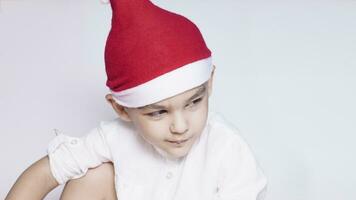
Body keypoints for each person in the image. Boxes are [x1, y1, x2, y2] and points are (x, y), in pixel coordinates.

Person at [6, 0, 268, 199]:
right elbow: (44, 173)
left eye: (193, 103)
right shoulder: (114, 138)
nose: (180, 126)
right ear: (121, 108)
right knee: (94, 175)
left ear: (209, 83)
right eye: (158, 113)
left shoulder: (227, 148)